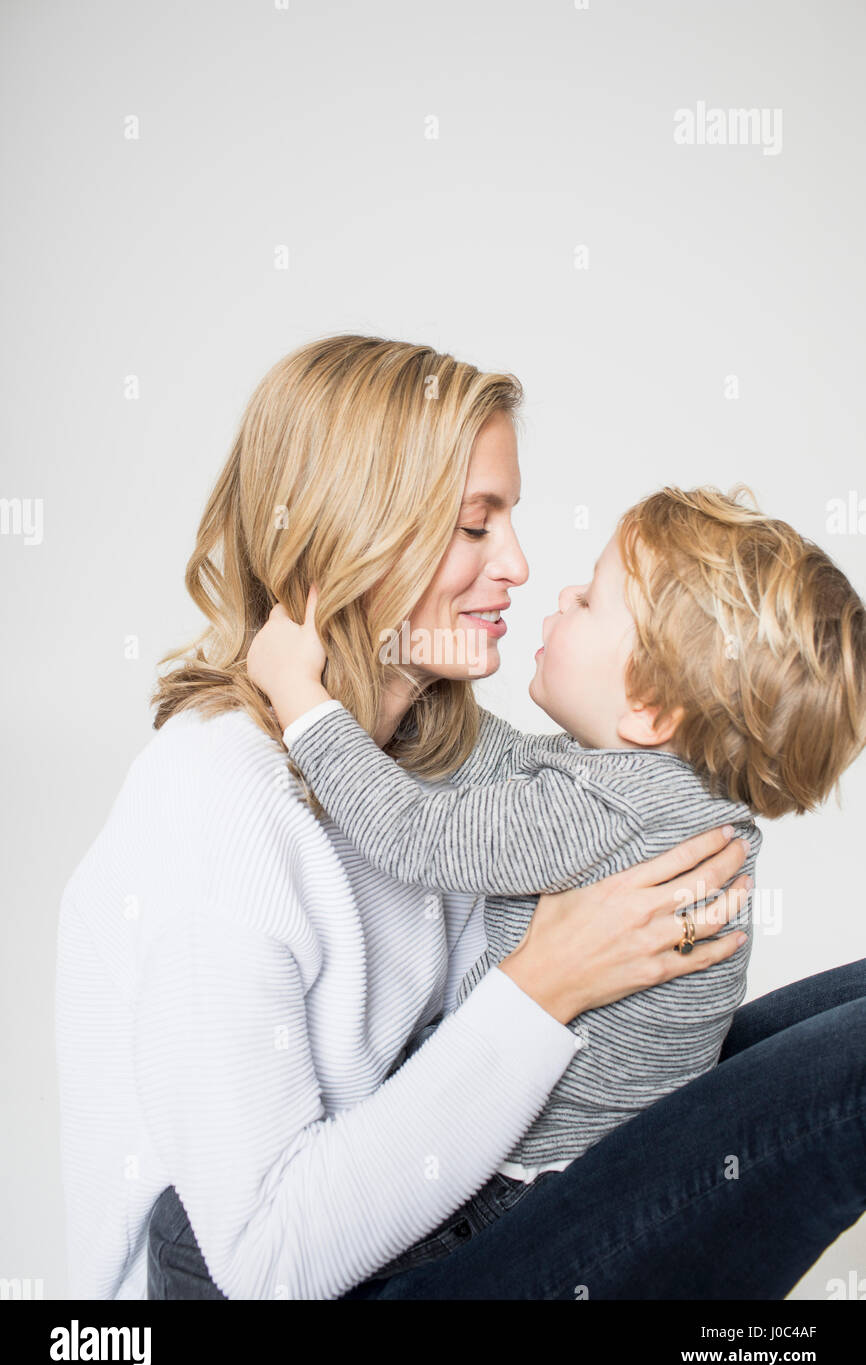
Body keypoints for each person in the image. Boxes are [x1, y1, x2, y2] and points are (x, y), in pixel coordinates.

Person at [54, 335, 864, 1301]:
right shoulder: (218, 801)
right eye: (477, 528)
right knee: (844, 1079)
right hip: (258, 1290)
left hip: (454, 1206)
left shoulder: (431, 751)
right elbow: (266, 1264)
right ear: (356, 536)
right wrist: (544, 984)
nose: (521, 566)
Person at [243, 482, 866, 1202]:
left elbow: (412, 832)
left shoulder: (612, 809)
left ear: (650, 708)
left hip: (518, 1185)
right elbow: (505, 766)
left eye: (592, 601)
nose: (565, 593)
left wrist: (300, 696)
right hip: (597, 1149)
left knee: (191, 1242)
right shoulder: (670, 794)